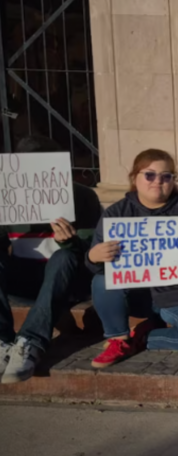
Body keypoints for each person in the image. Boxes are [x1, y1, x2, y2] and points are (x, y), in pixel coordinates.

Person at [86, 149, 178, 367]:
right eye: (149, 175)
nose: (158, 181)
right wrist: (93, 256)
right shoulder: (116, 214)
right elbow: (93, 269)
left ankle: (142, 338)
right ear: (134, 178)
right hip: (138, 295)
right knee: (102, 280)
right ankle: (118, 338)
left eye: (166, 176)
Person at [0, 136, 103, 383]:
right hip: (25, 278)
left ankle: (30, 342)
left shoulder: (84, 196)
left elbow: (93, 251)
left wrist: (69, 241)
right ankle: (3, 344)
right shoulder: (8, 196)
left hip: (69, 280)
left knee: (63, 255)